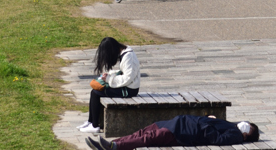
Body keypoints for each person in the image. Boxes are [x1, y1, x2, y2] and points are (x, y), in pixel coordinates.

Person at [77, 37, 140, 134]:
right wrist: (109, 75)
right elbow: (123, 72)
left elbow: (128, 78)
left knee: (96, 93)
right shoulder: (124, 54)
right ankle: (90, 122)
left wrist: (109, 79)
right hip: (127, 86)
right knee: (94, 91)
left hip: (130, 90)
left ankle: (94, 126)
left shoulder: (128, 57)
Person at [86, 115, 260, 149]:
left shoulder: (235, 135)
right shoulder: (230, 126)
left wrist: (208, 124)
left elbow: (216, 138)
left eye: (247, 128)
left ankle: (114, 146)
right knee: (140, 133)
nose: (243, 125)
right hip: (176, 123)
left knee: (148, 138)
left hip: (182, 132)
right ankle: (111, 144)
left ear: (247, 135)